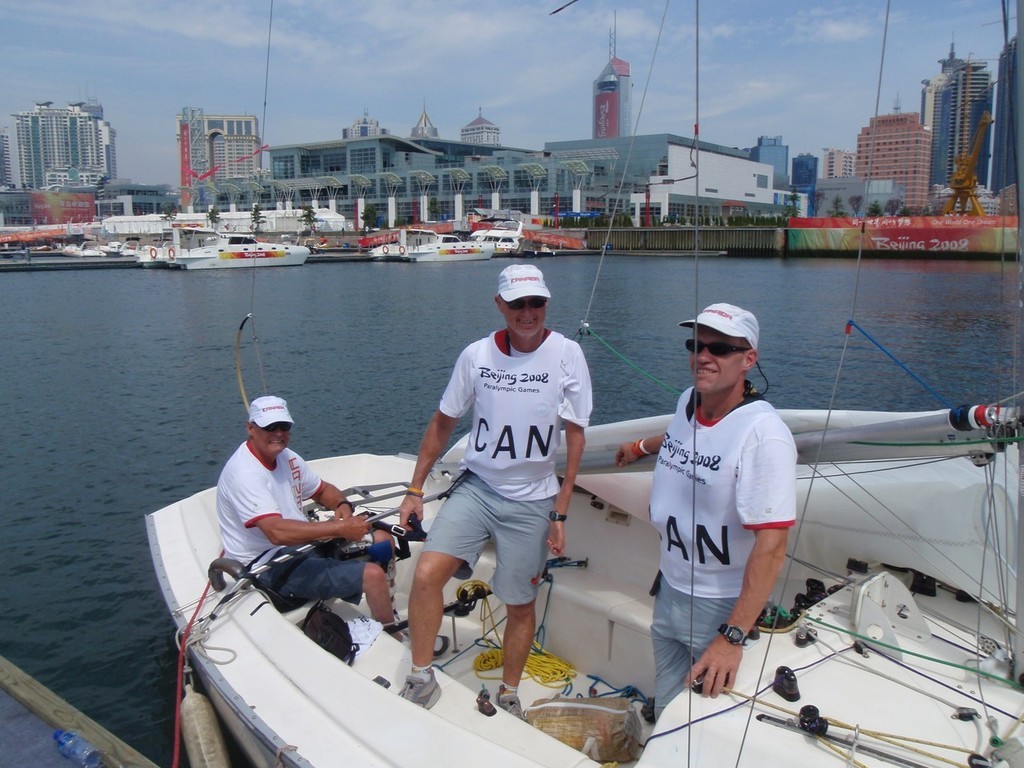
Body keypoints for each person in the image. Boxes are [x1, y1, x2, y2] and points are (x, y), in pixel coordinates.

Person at [397, 264, 593, 716]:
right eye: (517, 304)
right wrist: (414, 487)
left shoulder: (567, 354)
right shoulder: (477, 355)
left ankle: (508, 693)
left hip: (534, 498)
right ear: (500, 304)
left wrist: (560, 512)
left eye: (536, 303)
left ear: (546, 304)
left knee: (520, 603)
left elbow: (576, 438)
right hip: (478, 487)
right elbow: (444, 421)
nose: (528, 313)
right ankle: (422, 675)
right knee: (427, 576)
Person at [615, 303, 797, 718]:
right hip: (670, 589)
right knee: (666, 700)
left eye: (719, 348)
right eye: (696, 345)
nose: (703, 356)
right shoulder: (687, 402)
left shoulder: (763, 435)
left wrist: (731, 637)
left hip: (719, 607)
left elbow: (772, 544)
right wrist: (641, 447)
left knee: (698, 720)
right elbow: (682, 437)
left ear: (749, 359)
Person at [216, 395, 395, 625]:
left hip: (302, 546)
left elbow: (322, 490)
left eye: (284, 426)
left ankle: (389, 609)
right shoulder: (245, 474)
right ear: (250, 428)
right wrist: (340, 528)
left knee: (383, 539)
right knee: (373, 575)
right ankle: (394, 634)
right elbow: (276, 533)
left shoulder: (286, 457)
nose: (278, 433)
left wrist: (342, 506)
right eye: (270, 427)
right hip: (267, 565)